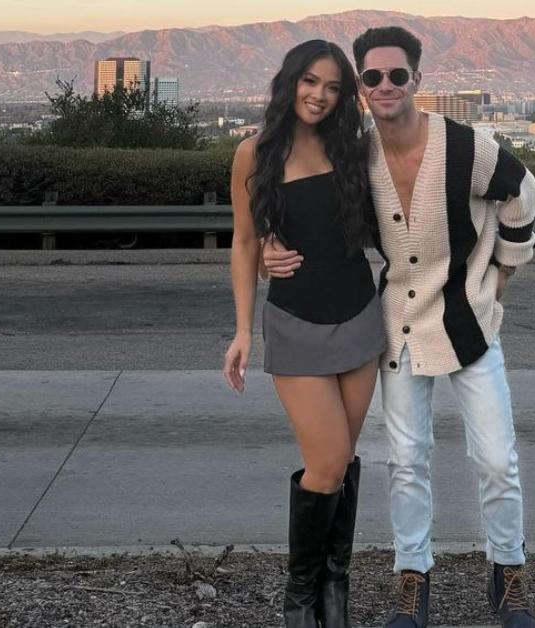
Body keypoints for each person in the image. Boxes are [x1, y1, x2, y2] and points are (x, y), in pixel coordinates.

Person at [264, 26, 535, 628]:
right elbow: (313, 214)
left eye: (397, 75)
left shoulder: (467, 147)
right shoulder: (356, 157)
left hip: (471, 325)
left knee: (496, 460)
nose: (385, 85)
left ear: (418, 80)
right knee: (406, 461)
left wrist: (502, 272)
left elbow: (521, 191)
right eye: (372, 76)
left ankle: (509, 577)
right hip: (398, 326)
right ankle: (411, 583)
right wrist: (269, 246)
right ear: (360, 88)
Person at [222, 39, 385, 628]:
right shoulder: (254, 152)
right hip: (294, 324)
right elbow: (243, 242)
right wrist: (242, 329)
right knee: (329, 459)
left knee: (340, 464)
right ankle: (299, 598)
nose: (320, 95)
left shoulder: (355, 148)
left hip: (362, 320)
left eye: (334, 86)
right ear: (290, 81)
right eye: (311, 81)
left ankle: (332, 589)